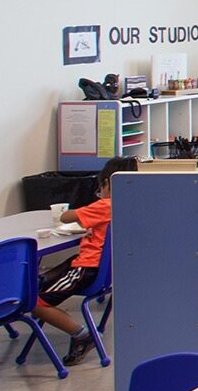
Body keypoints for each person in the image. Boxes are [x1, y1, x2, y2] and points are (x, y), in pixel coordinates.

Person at [33, 157, 135, 366]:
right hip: (103, 271)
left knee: (34, 302)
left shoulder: (106, 205)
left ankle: (81, 334)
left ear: (107, 184)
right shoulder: (131, 204)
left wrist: (66, 211)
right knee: (44, 279)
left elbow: (66, 217)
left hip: (87, 268)